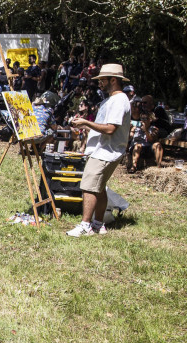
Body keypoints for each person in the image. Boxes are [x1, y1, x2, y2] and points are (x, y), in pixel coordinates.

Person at [66, 64, 131, 237]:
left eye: (102, 80)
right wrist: (84, 127)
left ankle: (85, 225)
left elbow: (110, 129)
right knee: (99, 188)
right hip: (103, 150)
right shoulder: (110, 99)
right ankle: (98, 224)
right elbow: (103, 128)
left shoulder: (119, 100)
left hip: (107, 152)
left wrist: (86, 123)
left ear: (113, 80)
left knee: (88, 186)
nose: (99, 83)